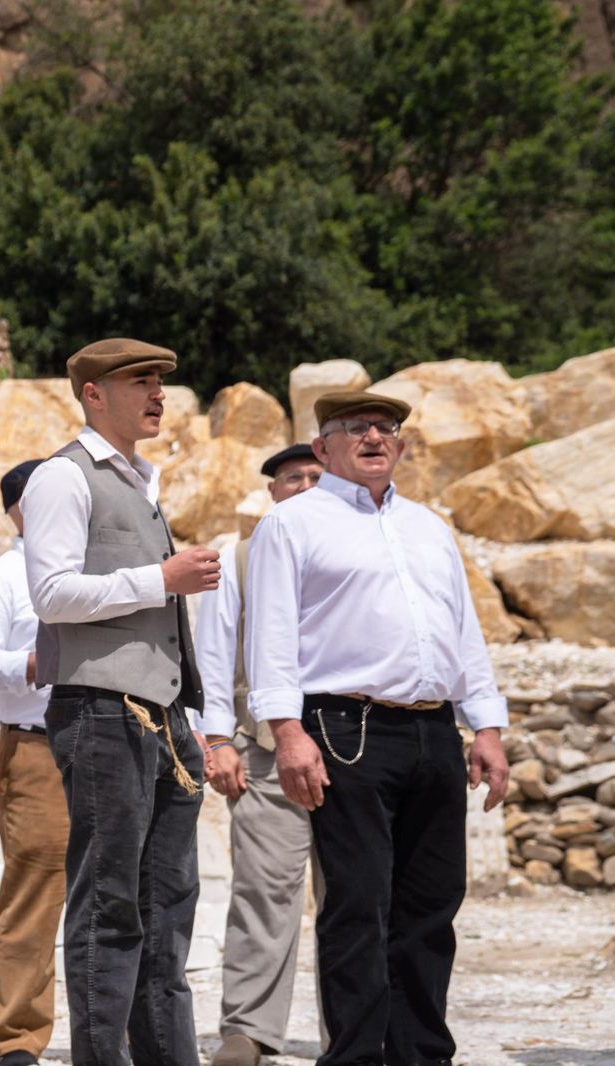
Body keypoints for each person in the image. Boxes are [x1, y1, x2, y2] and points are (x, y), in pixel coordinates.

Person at [245, 391, 510, 1066]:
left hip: (433, 733)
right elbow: (270, 635)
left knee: (430, 908)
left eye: (386, 428)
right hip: (344, 729)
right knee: (359, 908)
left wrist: (487, 726)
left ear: (402, 445)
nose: (373, 436)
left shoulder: (428, 527)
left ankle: (423, 1056)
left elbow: (463, 634)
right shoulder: (294, 524)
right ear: (323, 448)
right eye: (353, 428)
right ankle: (357, 1058)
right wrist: (286, 731)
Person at [22, 338, 216, 1066]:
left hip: (164, 718)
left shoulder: (140, 480)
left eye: (161, 380)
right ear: (93, 393)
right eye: (140, 380)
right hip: (102, 715)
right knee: (110, 912)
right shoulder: (62, 478)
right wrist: (159, 578)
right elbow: (52, 594)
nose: (158, 393)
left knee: (168, 914)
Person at [193, 442, 322, 1066]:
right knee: (263, 892)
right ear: (271, 491)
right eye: (290, 478)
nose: (302, 485)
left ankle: (356, 1026)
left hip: (352, 747)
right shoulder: (239, 557)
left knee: (358, 893)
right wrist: (218, 740)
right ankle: (247, 1028)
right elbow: (214, 656)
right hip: (267, 750)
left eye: (314, 477)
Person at [0, 459, 64, 1066]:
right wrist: (35, 664)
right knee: (34, 892)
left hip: (109, 742)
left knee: (116, 889)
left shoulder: (94, 568)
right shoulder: (0, 579)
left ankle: (120, 1029)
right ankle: (18, 1039)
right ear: (17, 510)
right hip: (37, 748)